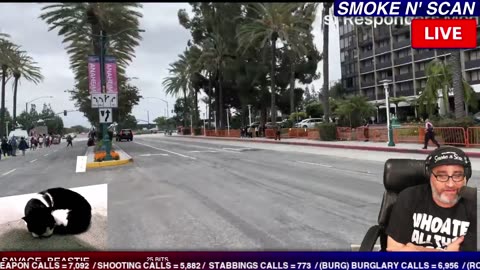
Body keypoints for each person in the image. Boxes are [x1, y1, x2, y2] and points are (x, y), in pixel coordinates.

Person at [386, 146, 476, 251]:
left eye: (457, 175)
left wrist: (415, 249)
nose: (450, 184)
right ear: (429, 176)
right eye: (441, 176)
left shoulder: (475, 204)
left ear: (466, 177)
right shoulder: (409, 197)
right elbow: (394, 251)